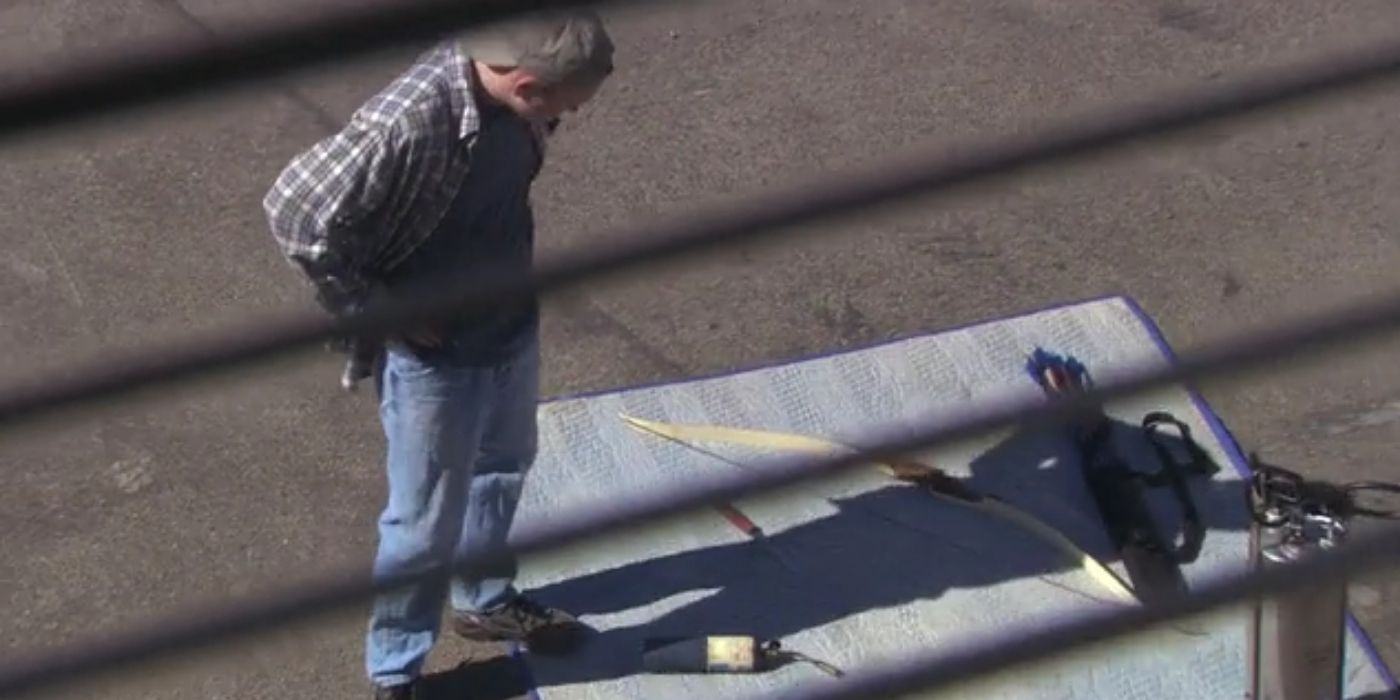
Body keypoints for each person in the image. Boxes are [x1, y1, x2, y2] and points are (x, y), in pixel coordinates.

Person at [262, 11, 614, 700]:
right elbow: (294, 209)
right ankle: (395, 671)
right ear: (525, 82)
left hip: (507, 321)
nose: (566, 121)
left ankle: (484, 602)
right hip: (437, 357)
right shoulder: (411, 121)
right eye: (566, 107)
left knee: (502, 468)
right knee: (422, 526)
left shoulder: (512, 96)